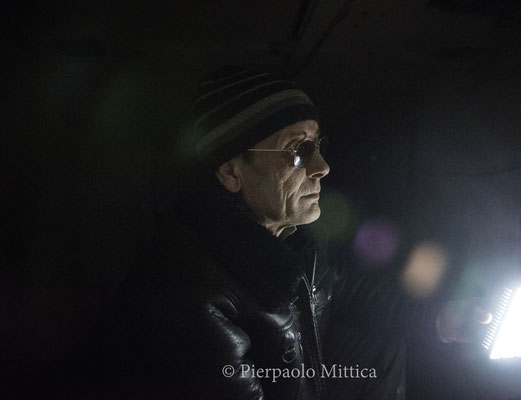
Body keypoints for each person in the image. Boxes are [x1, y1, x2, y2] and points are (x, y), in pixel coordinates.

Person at [93, 68, 489, 399]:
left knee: (379, 346)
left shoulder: (296, 239)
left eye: (317, 145)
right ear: (232, 172)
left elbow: (349, 293)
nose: (322, 167)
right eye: (297, 151)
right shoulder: (189, 293)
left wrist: (437, 320)